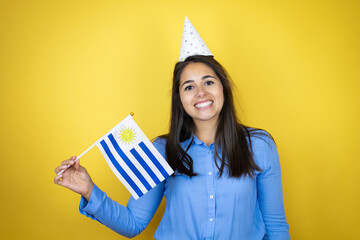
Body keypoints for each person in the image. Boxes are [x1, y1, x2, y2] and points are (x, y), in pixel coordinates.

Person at [54, 18, 290, 240]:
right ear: (180, 98)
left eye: (208, 82)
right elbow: (133, 222)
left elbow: (276, 226)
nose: (201, 93)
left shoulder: (259, 146)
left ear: (223, 88)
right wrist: (88, 190)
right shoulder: (162, 150)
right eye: (189, 87)